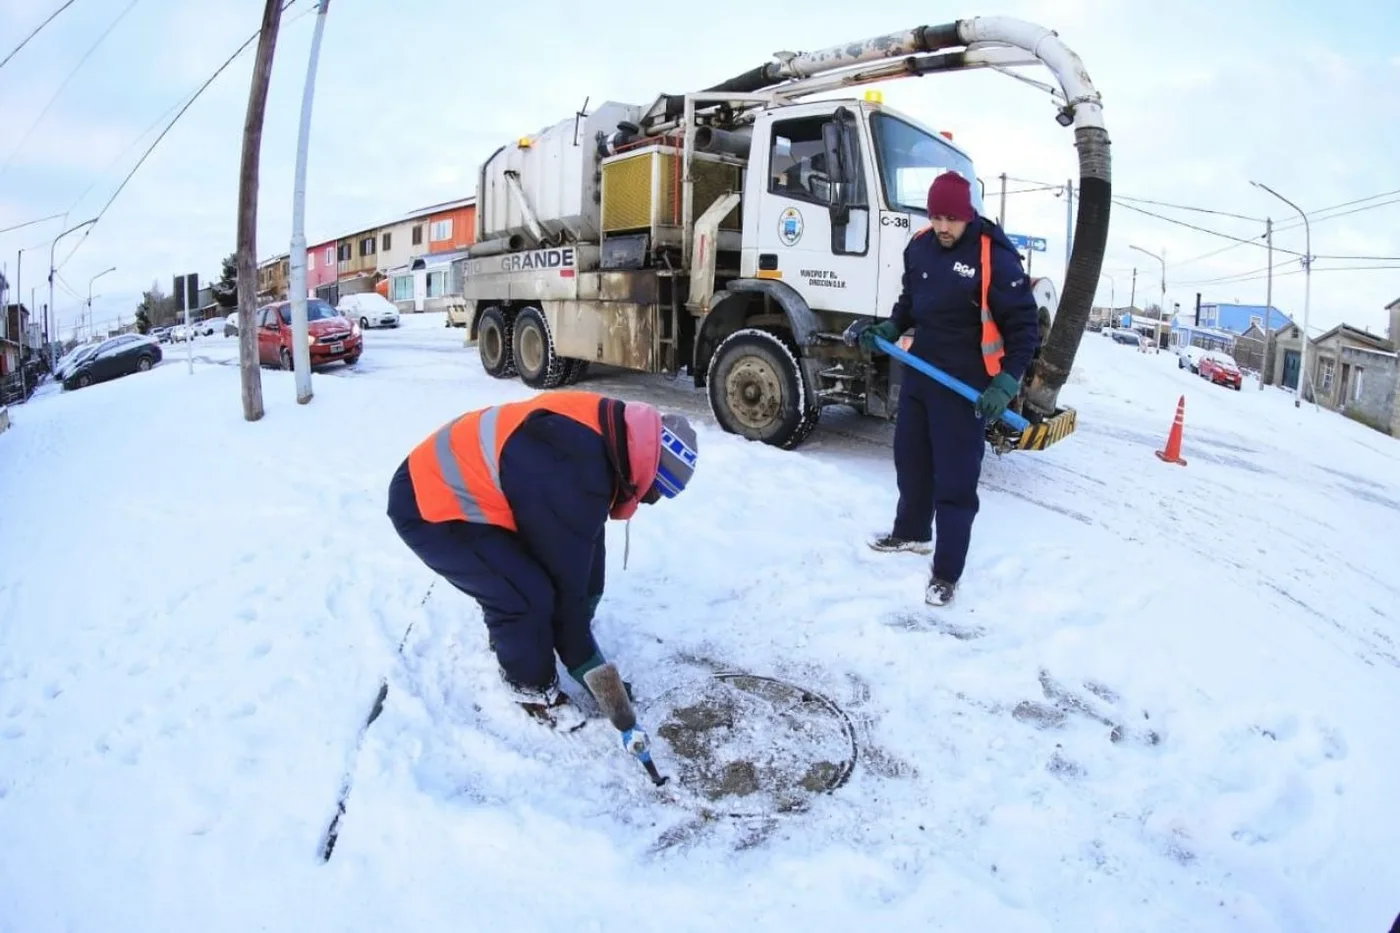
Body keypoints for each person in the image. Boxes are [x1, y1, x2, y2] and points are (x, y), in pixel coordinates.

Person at [386, 389, 698, 728]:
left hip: (470, 488)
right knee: (525, 595)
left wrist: (583, 610)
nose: (649, 502)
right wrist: (585, 661)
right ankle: (532, 689)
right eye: (655, 493)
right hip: (430, 504)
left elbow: (586, 543)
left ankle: (523, 637)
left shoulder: (608, 437)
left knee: (548, 580)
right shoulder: (571, 470)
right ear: (649, 469)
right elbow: (564, 580)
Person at [843, 171, 1039, 606]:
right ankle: (912, 532)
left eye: (951, 218)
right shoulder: (920, 246)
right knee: (910, 459)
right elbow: (909, 300)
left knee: (955, 479)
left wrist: (1006, 383)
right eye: (936, 217)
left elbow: (1025, 328)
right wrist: (892, 327)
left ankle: (947, 572)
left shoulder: (994, 257)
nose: (943, 227)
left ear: (968, 215)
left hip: (966, 384)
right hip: (921, 371)